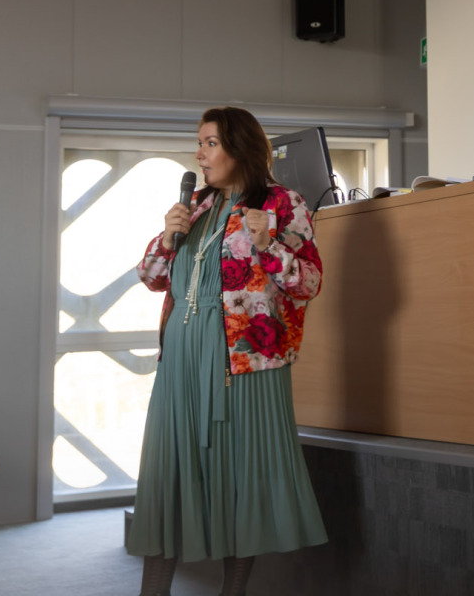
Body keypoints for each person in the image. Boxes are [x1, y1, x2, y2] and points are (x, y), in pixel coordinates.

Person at [126, 107, 328, 596]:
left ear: (241, 148)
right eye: (199, 143)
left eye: (210, 143)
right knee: (168, 476)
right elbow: (151, 277)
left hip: (244, 360)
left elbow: (307, 283)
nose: (200, 153)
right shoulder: (194, 207)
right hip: (181, 358)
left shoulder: (283, 203)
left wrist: (266, 243)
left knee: (241, 480)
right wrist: (167, 237)